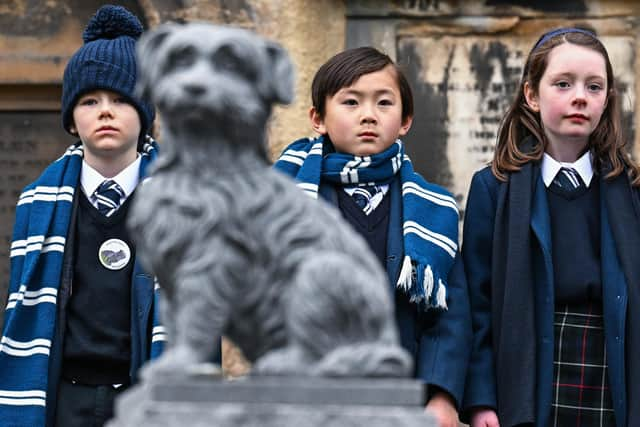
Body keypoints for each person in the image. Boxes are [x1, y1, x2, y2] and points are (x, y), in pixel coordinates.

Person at [274, 46, 471, 427]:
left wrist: (442, 395)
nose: (368, 115)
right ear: (318, 118)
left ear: (405, 120)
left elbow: (450, 315)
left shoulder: (433, 211)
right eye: (350, 102)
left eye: (384, 102)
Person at [462, 28, 640, 427]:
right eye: (563, 84)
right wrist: (481, 400)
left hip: (614, 376)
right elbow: (478, 305)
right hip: (528, 378)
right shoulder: (493, 189)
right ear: (531, 94)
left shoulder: (632, 192)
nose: (580, 96)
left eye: (594, 87)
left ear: (606, 100)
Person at [0, 5, 165, 427]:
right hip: (64, 399)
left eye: (121, 99)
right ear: (72, 118)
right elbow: (23, 308)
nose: (105, 111)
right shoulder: (38, 202)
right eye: (90, 100)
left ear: (145, 116)